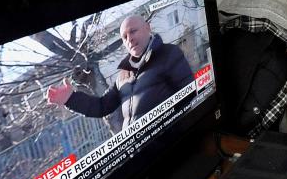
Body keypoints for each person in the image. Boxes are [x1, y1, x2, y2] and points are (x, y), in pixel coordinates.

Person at [46, 15, 194, 130]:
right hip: (138, 155)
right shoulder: (123, 75)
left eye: (133, 31)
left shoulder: (168, 54)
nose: (129, 38)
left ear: (148, 28)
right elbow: (102, 106)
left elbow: (190, 96)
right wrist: (70, 99)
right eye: (124, 37)